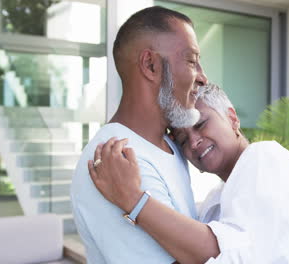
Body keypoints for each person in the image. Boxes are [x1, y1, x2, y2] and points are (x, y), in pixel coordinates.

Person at [89, 84, 289, 263]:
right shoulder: (216, 197)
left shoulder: (264, 157)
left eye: (201, 124)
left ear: (232, 118)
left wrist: (132, 198)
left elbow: (227, 256)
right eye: (181, 140)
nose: (194, 142)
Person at [71, 6, 209, 264]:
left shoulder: (170, 144)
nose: (202, 77)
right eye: (191, 61)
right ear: (151, 65)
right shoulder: (113, 158)